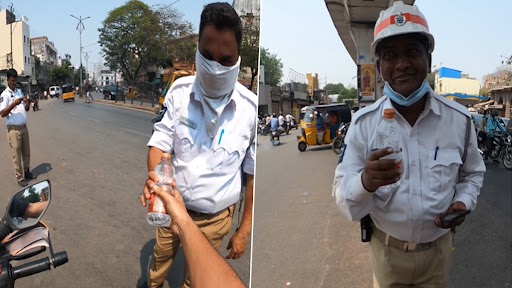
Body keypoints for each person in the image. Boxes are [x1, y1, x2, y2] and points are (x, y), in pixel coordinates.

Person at [332, 2, 485, 288]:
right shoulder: (363, 124)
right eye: (390, 55)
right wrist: (365, 181)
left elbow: (473, 173)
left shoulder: (459, 121)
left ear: (428, 58)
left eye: (412, 52)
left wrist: (464, 201)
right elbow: (344, 201)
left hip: (438, 252)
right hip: (387, 254)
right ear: (378, 68)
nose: (402, 64)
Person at [140, 3, 256, 287]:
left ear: (239, 57)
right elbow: (159, 145)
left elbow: (252, 177)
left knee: (196, 279)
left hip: (215, 221)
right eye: (207, 55)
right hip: (171, 211)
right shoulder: (178, 94)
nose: (216, 67)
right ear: (197, 51)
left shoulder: (251, 110)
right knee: (159, 262)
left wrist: (244, 230)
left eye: (226, 59)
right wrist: (159, 180)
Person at [150, 183, 244, 288]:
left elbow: (252, 178)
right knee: (160, 255)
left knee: (199, 273)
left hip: (214, 218)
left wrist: (243, 232)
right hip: (171, 207)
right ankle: (154, 285)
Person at [0, 69, 35, 187]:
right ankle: (20, 178)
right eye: (12, 81)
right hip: (13, 130)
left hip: (24, 128)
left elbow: (26, 109)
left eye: (16, 80)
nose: (15, 83)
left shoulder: (19, 91)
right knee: (16, 155)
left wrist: (27, 103)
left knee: (26, 152)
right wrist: (14, 103)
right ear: (8, 80)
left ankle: (27, 172)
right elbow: (3, 113)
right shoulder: (4, 95)